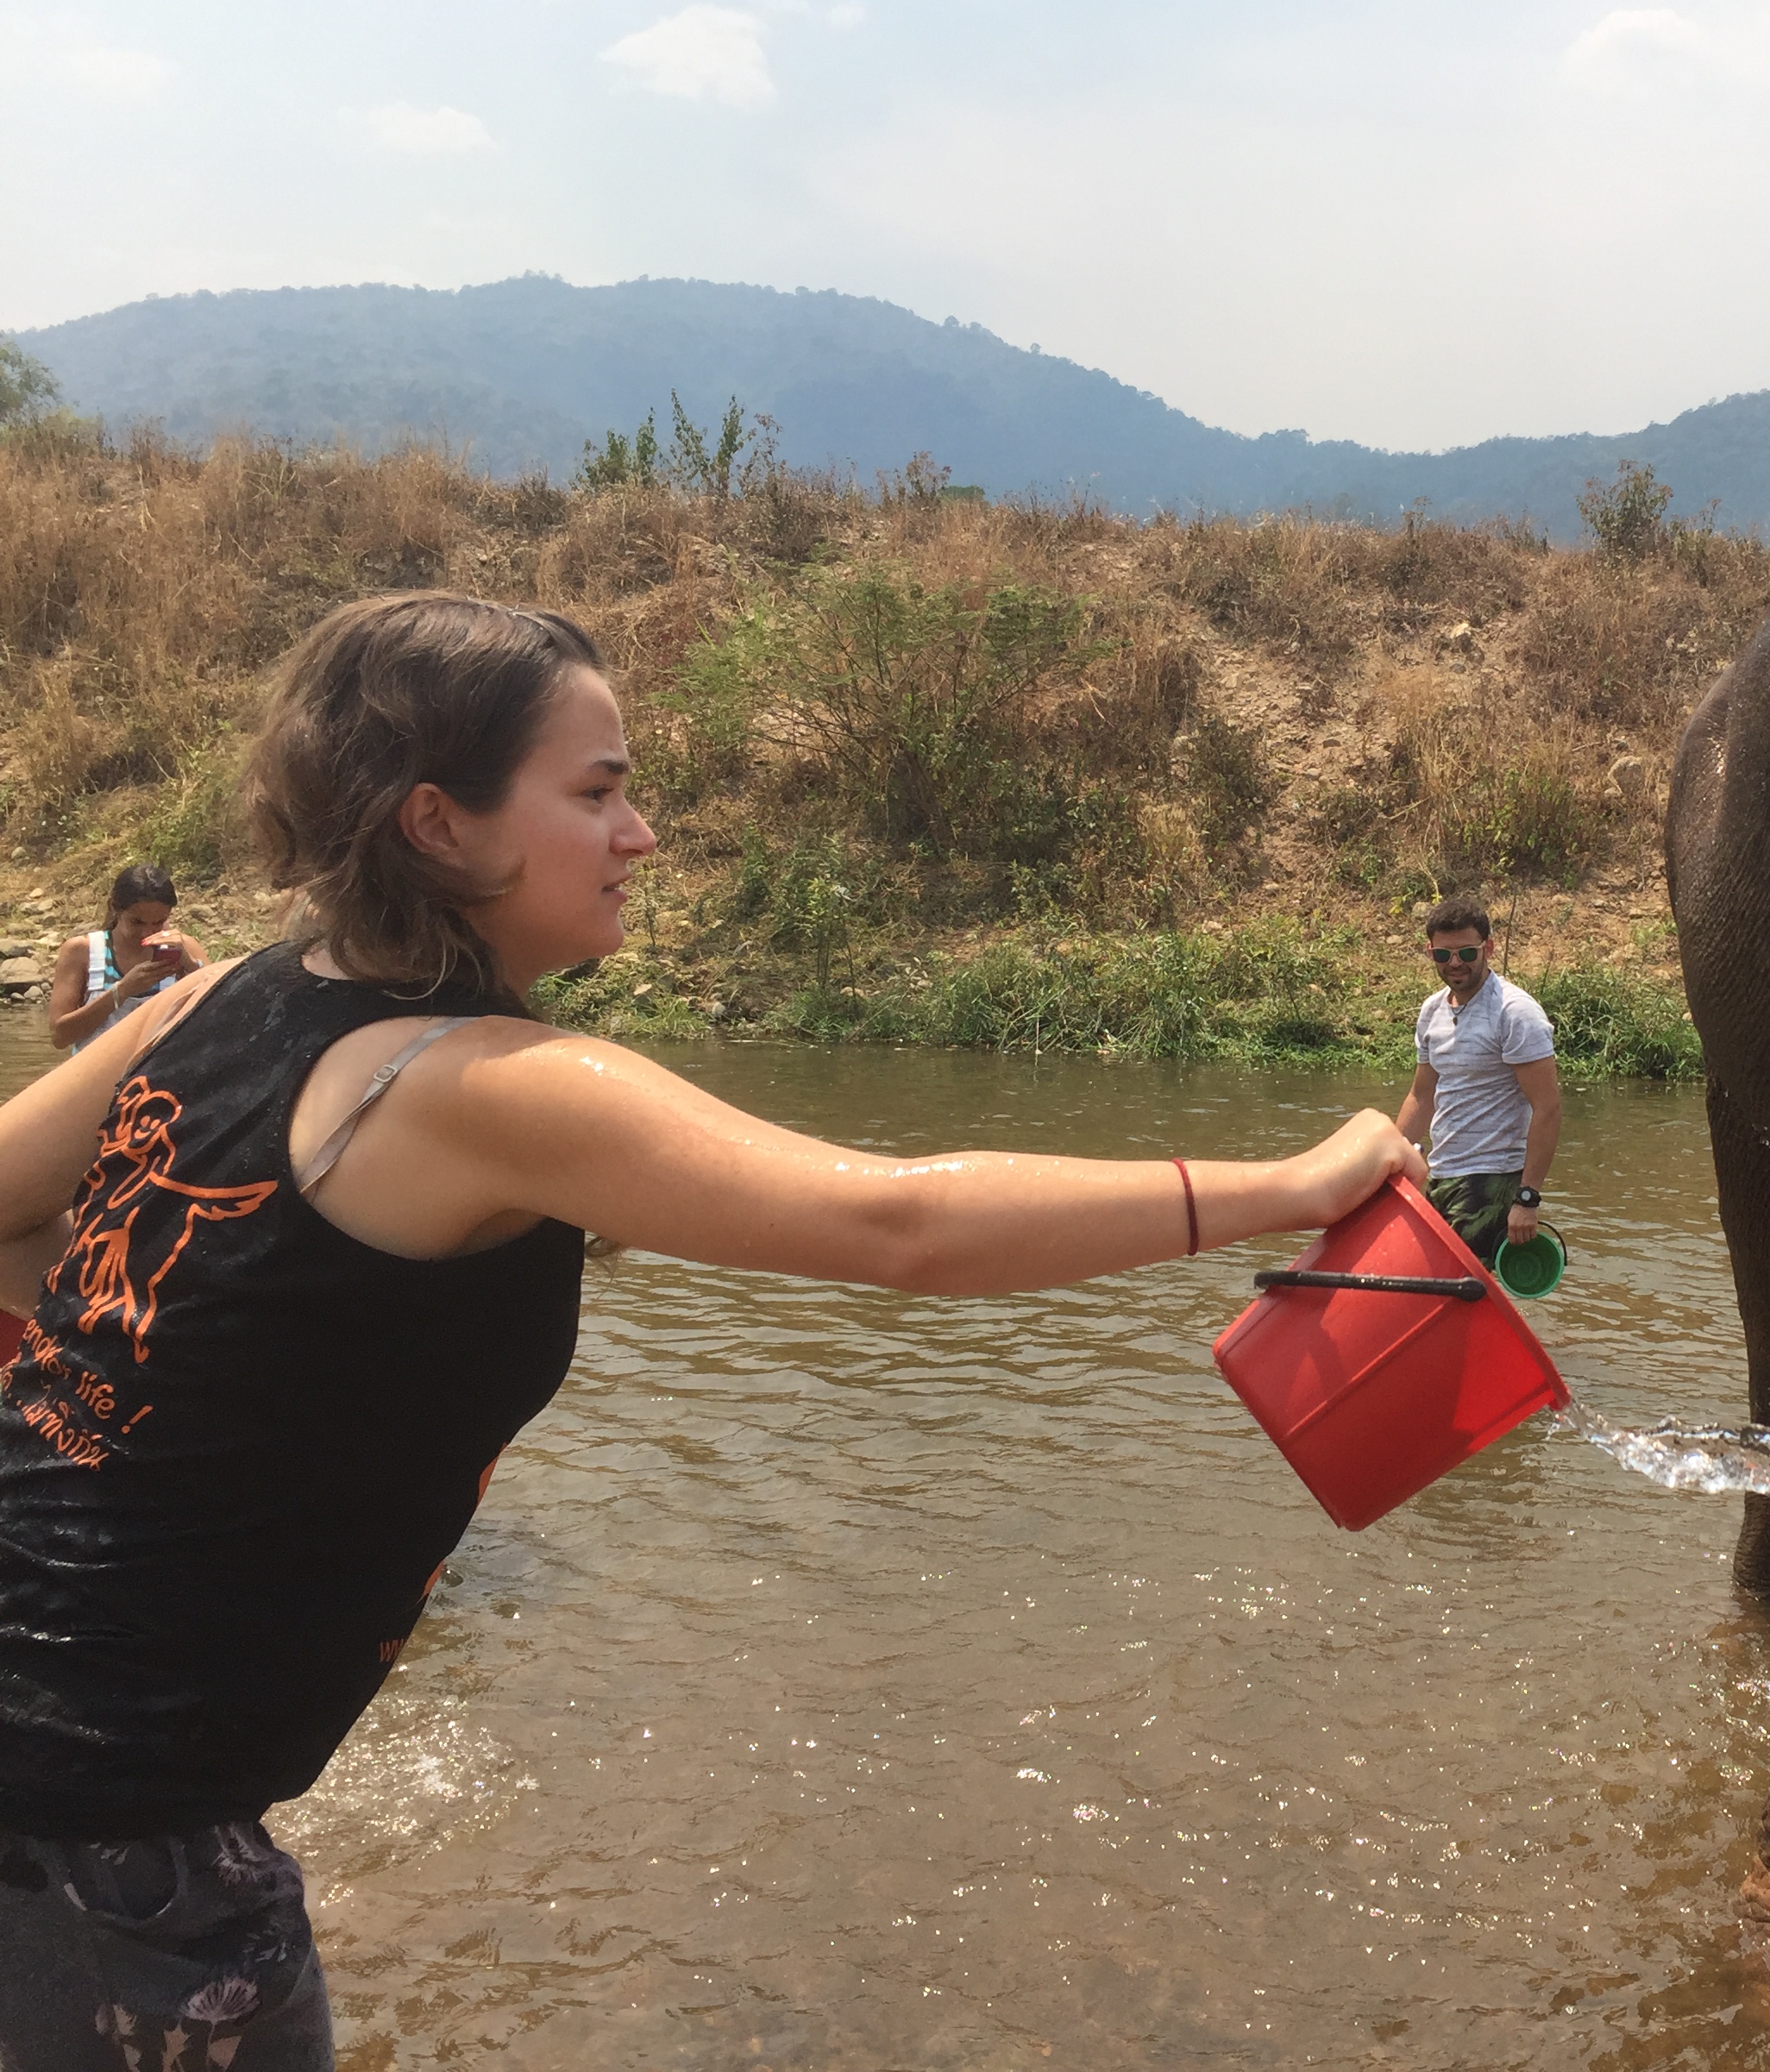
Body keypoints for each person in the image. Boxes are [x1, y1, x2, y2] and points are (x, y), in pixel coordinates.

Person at [0, 593, 1423, 2070]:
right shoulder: (491, 1083)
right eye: (597, 792)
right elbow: (899, 1225)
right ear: (441, 822)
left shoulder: (216, 1000)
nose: (644, 834)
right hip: (109, 1832)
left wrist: (150, 1370)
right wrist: (1290, 1187)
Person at [1393, 898, 1560, 1267]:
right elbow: (1422, 1096)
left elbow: (1547, 1108)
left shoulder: (1514, 1013)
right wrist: (1389, 1166)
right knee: (1436, 1291)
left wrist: (1527, 1199)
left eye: (1467, 952)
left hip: (1493, 1179)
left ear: (1488, 948)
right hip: (1442, 1174)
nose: (1455, 963)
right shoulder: (1432, 1011)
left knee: (1455, 1292)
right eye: (1443, 955)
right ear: (1430, 951)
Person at [48, 863, 208, 1054]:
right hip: (99, 1076)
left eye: (158, 922)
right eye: (136, 922)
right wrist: (122, 991)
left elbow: (223, 1016)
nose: (147, 932)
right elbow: (59, 1036)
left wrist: (192, 968)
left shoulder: (185, 948)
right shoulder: (83, 951)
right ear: (115, 908)